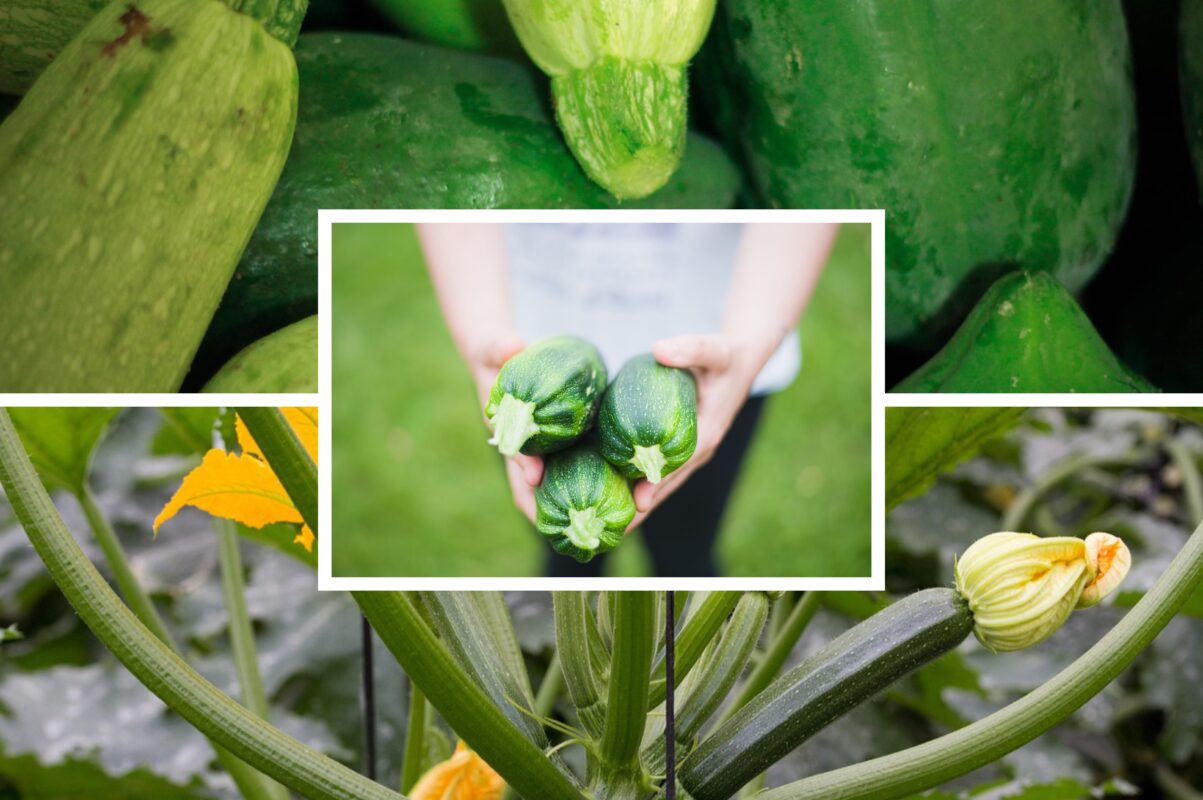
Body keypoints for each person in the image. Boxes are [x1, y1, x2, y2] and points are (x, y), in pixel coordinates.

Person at [418, 222, 836, 577]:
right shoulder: (521, 394)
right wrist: (480, 332)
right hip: (532, 348)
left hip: (720, 353)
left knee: (686, 551)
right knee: (567, 561)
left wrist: (751, 345)